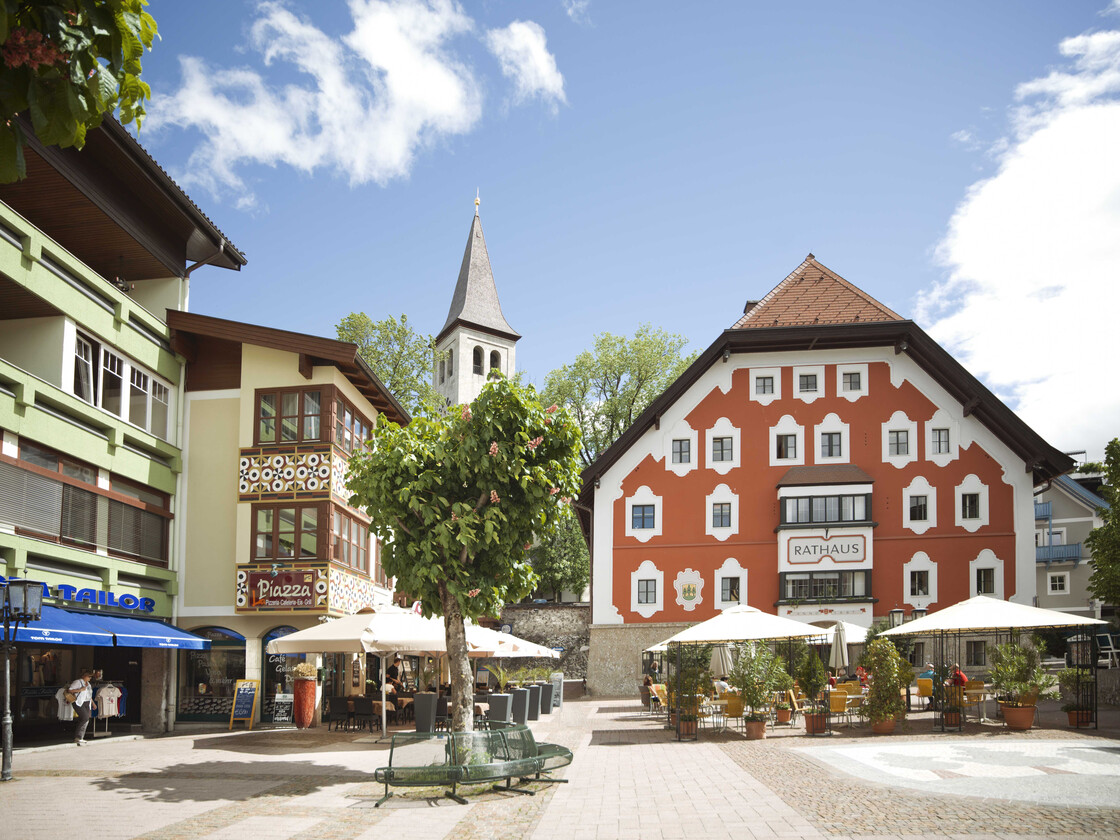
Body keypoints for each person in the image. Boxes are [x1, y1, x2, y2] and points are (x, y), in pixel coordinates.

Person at [68, 669, 96, 745]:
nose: (90, 678)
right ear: (84, 676)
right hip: (79, 702)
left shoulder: (88, 684)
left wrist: (93, 703)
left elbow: (89, 695)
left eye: (91, 677)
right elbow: (70, 690)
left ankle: (80, 737)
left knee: (86, 719)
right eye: (89, 676)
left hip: (87, 702)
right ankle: (78, 737)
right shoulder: (78, 682)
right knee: (85, 718)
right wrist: (80, 689)